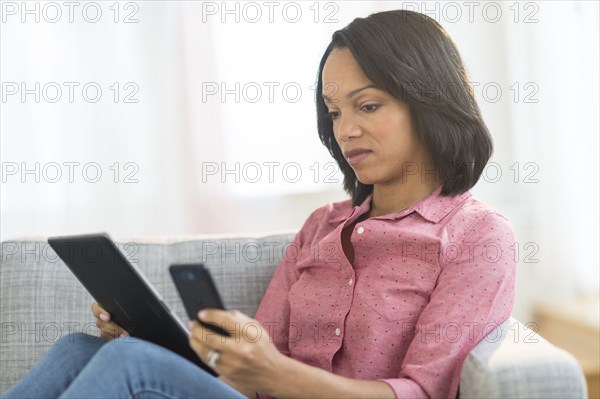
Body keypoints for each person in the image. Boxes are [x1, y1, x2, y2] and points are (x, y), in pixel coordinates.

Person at [2, 9, 516, 399]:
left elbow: (423, 393)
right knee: (82, 348)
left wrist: (276, 372)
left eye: (368, 105)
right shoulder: (321, 227)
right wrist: (186, 346)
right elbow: (252, 371)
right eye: (334, 112)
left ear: (429, 101)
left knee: (129, 365)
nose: (345, 130)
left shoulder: (478, 237)